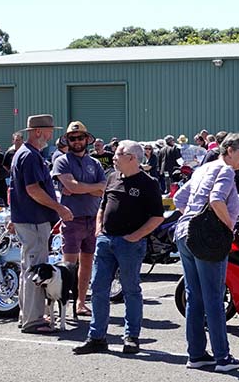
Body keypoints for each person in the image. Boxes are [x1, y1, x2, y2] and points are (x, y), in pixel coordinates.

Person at [73, 140, 164, 355]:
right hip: (106, 240)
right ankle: (97, 337)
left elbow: (157, 217)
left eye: (118, 154)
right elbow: (103, 205)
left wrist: (135, 236)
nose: (113, 157)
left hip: (130, 245)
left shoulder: (148, 183)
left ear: (131, 158)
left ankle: (131, 337)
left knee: (130, 290)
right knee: (98, 288)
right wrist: (99, 229)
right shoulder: (112, 177)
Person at [172, 134, 239, 372]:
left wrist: (195, 218)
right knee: (214, 297)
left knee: (194, 296)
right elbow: (216, 200)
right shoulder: (225, 171)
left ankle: (196, 354)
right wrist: (226, 228)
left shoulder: (203, 169)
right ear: (229, 150)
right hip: (207, 238)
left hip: (184, 232)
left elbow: (179, 198)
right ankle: (222, 357)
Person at [10, 114, 74, 334]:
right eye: (48, 131)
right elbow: (33, 190)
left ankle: (27, 316)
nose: (50, 135)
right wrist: (59, 208)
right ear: (38, 132)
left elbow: (19, 190)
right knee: (35, 269)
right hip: (33, 220)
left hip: (28, 219)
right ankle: (33, 320)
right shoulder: (30, 156)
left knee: (28, 268)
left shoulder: (24, 153)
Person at [52, 121, 106, 316]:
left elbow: (103, 188)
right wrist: (90, 188)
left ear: (86, 139)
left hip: (92, 219)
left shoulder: (95, 163)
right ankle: (63, 306)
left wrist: (79, 188)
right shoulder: (62, 161)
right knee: (68, 266)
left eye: (80, 137)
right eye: (72, 138)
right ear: (67, 140)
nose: (77, 141)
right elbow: (72, 186)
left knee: (87, 263)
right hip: (72, 219)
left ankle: (80, 303)